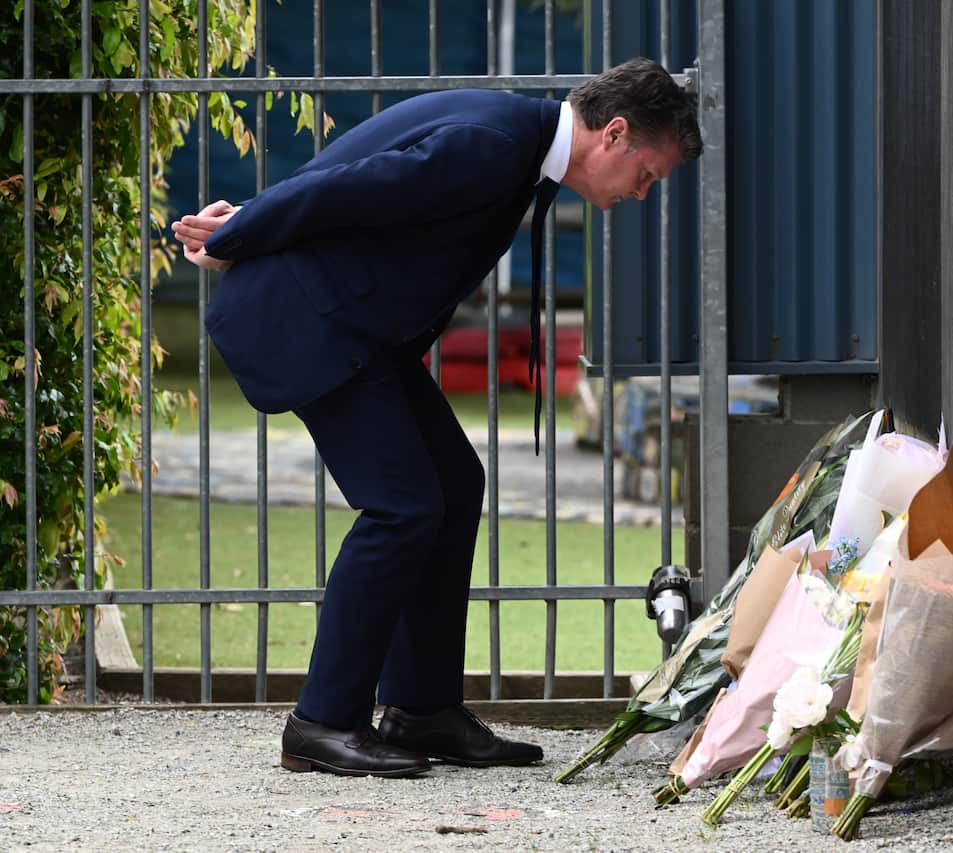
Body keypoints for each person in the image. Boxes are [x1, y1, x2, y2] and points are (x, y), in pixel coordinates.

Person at [171, 58, 703, 778]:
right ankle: (322, 720)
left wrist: (252, 220)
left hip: (361, 330)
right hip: (317, 321)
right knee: (402, 504)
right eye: (649, 173)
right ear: (613, 134)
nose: (643, 192)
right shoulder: (496, 143)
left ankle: (421, 708)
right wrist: (242, 233)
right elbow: (349, 187)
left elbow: (361, 168)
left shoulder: (514, 141)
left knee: (454, 482)